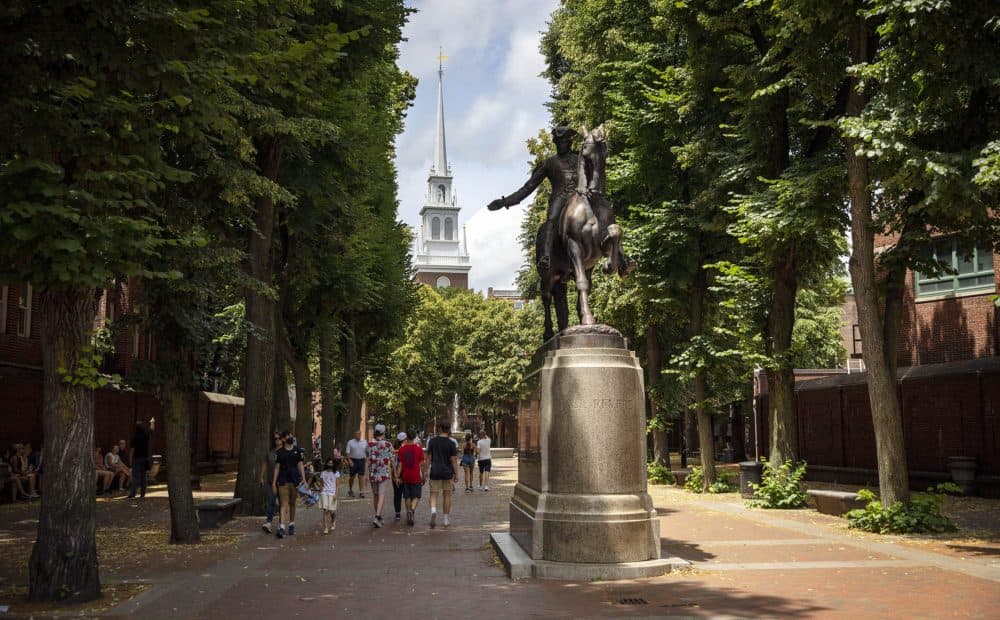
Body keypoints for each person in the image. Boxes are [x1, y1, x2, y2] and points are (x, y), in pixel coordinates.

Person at [487, 125, 579, 271]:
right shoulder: (548, 163)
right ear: (555, 142)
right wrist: (504, 202)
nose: (561, 145)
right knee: (552, 219)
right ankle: (545, 256)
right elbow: (528, 187)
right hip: (560, 198)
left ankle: (618, 255)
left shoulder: (581, 160)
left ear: (570, 142)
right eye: (558, 142)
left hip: (581, 197)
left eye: (564, 141)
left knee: (600, 211)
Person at [423, 422, 459, 529]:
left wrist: (425, 471)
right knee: (447, 495)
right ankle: (446, 519)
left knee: (433, 494)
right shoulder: (451, 444)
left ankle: (433, 511)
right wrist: (456, 474)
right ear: (448, 430)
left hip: (435, 471)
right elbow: (453, 460)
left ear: (440, 429)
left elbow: (428, 458)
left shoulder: (432, 441)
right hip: (447, 472)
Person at [271, 432, 306, 539]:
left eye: (291, 435)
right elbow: (277, 467)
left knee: (292, 503)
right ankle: (281, 527)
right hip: (283, 480)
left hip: (295, 480)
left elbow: (300, 465)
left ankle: (291, 524)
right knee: (283, 503)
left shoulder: (298, 450)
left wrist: (304, 479)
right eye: (287, 436)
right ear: (283, 439)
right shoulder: (280, 452)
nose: (290, 437)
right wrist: (273, 482)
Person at [365, 423, 394, 528]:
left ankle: (378, 516)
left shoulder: (369, 445)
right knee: (381, 495)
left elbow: (367, 461)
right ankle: (377, 516)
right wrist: (393, 472)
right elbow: (391, 459)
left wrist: (365, 475)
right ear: (384, 432)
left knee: (376, 495)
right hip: (383, 473)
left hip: (373, 473)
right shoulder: (388, 445)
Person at [395, 429, 425, 526]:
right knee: (416, 496)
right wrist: (423, 475)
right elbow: (422, 464)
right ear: (415, 437)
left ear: (407, 437)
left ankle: (408, 512)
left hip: (405, 475)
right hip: (416, 475)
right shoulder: (419, 449)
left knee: (407, 496)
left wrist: (398, 477)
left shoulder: (401, 449)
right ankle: (411, 510)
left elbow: (400, 465)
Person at [260, 433, 282, 534]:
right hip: (270, 481)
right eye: (275, 439)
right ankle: (268, 523)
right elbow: (265, 464)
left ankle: (282, 525)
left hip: (282, 482)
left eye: (279, 438)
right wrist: (261, 476)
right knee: (270, 502)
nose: (277, 440)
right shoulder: (270, 453)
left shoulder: (285, 452)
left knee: (282, 504)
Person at [128, 418, 155, 499]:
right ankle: (142, 494)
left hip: (137, 459)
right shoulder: (145, 435)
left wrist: (130, 462)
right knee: (143, 477)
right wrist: (152, 422)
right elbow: (152, 430)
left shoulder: (134, 438)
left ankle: (132, 494)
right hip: (145, 459)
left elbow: (132, 451)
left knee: (135, 477)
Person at [319, 457, 340, 534]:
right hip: (324, 492)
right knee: (326, 510)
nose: (330, 464)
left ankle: (333, 520)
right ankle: (325, 527)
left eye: (331, 463)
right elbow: (322, 484)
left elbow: (337, 485)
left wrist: (336, 494)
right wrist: (320, 490)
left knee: (332, 511)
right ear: (326, 463)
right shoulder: (323, 473)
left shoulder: (336, 473)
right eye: (329, 463)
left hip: (332, 493)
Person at [345, 430, 368, 498]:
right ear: (354, 435)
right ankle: (350, 489)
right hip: (353, 460)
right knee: (352, 477)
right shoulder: (350, 442)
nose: (357, 435)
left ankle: (361, 492)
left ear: (360, 434)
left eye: (358, 434)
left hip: (361, 460)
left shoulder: (364, 442)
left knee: (361, 476)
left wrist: (366, 459)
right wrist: (349, 460)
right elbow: (347, 452)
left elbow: (367, 451)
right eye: (356, 434)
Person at [391, 432, 407, 521]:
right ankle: (409, 511)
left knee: (397, 494)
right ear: (404, 440)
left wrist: (395, 475)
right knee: (407, 494)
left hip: (395, 474)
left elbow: (392, 463)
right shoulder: (405, 449)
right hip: (404, 473)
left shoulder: (394, 450)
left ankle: (398, 513)